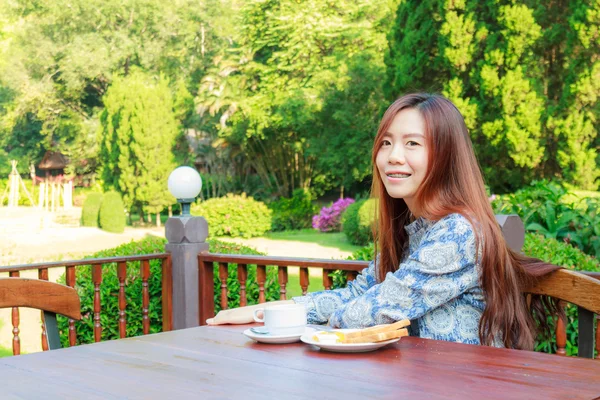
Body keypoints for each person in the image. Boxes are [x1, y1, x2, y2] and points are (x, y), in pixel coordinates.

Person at [207, 93, 560, 350]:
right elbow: (359, 294)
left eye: (412, 143)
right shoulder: (417, 229)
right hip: (418, 382)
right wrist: (266, 311)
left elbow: (368, 312)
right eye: (386, 142)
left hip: (465, 386)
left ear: (446, 155)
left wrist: (301, 317)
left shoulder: (459, 233)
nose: (393, 157)